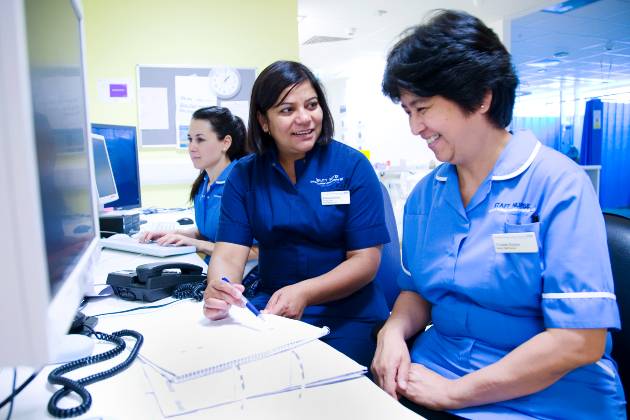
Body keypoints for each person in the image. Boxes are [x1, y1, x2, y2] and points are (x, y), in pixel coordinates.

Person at [371, 9, 626, 419]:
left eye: (423, 108)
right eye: (407, 111)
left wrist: (457, 394)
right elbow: (419, 289)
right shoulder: (426, 195)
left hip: (549, 397)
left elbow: (580, 340)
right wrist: (393, 332)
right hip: (436, 370)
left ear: (481, 96)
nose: (415, 127)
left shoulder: (558, 184)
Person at [202, 60, 391, 367]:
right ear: (264, 121)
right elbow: (229, 254)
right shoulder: (244, 175)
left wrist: (304, 292)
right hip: (274, 308)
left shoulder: (352, 167)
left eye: (312, 105)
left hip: (348, 312)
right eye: (287, 110)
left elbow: (366, 261)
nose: (305, 118)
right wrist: (219, 289)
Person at [139, 106, 256, 263]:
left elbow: (258, 251)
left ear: (226, 143)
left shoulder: (243, 183)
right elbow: (208, 232)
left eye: (200, 139)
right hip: (213, 270)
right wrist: (175, 234)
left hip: (243, 277)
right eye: (190, 139)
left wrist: (198, 245)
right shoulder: (204, 183)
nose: (192, 147)